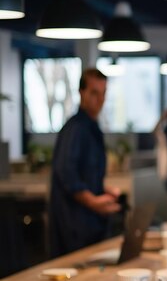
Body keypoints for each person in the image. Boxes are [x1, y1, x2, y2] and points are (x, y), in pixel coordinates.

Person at [49, 68, 121, 258]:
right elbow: (67, 173)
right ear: (81, 92)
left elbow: (87, 174)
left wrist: (103, 190)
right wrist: (94, 201)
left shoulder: (92, 128)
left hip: (89, 224)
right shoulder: (76, 129)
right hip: (74, 226)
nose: (100, 99)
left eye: (103, 93)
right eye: (94, 93)